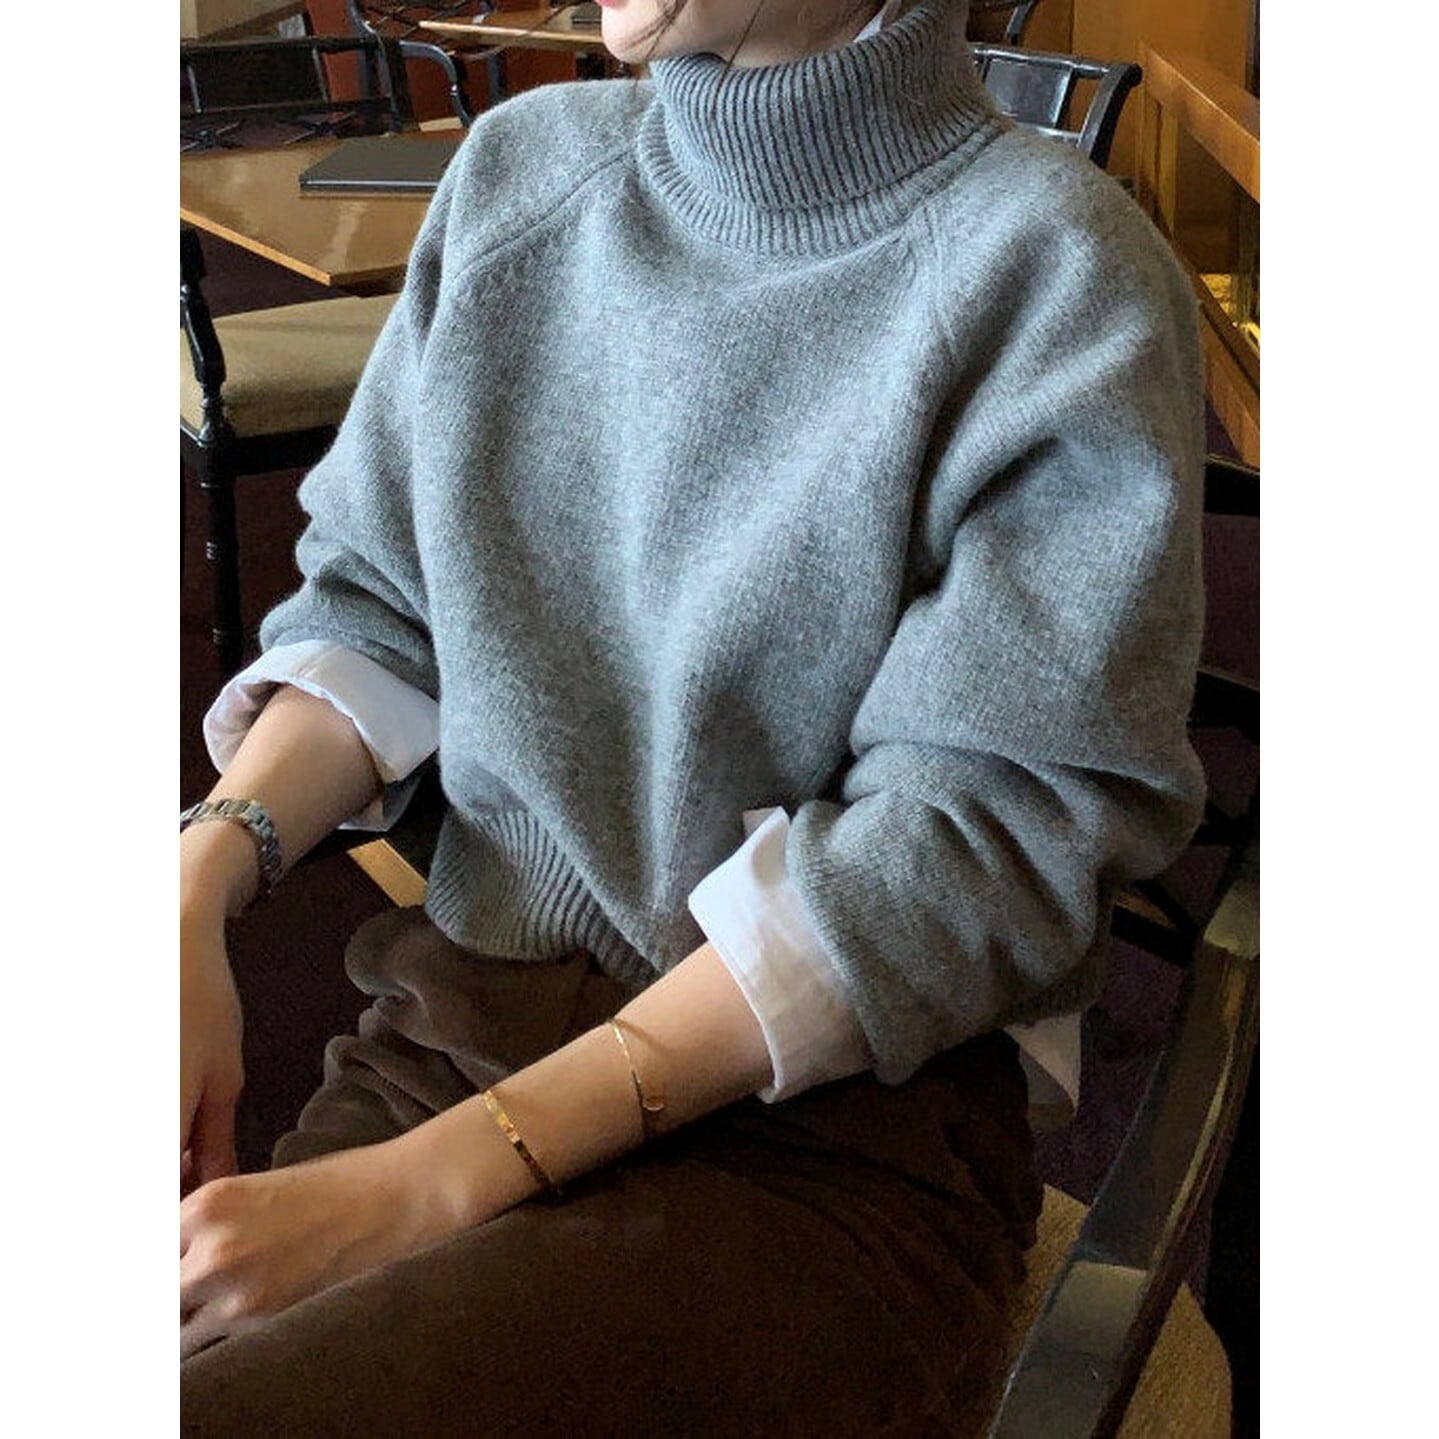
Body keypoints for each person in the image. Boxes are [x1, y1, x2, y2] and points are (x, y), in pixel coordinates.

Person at [179, 0, 1207, 1429]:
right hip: (456, 1029)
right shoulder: (519, 175)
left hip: (825, 1137)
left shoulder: (1058, 274)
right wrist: (197, 880)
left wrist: (443, 1180)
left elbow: (972, 848)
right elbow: (380, 609)